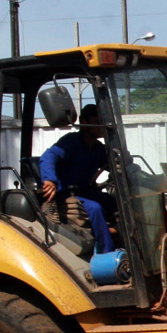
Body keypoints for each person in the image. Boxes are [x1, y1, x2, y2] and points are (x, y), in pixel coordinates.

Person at [40, 103, 119, 255]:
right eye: (97, 122)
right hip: (66, 194)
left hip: (84, 191)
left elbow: (112, 166)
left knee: (115, 202)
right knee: (95, 208)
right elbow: (48, 157)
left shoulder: (98, 148)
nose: (101, 126)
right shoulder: (71, 141)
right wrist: (50, 179)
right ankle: (106, 252)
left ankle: (120, 236)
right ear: (84, 122)